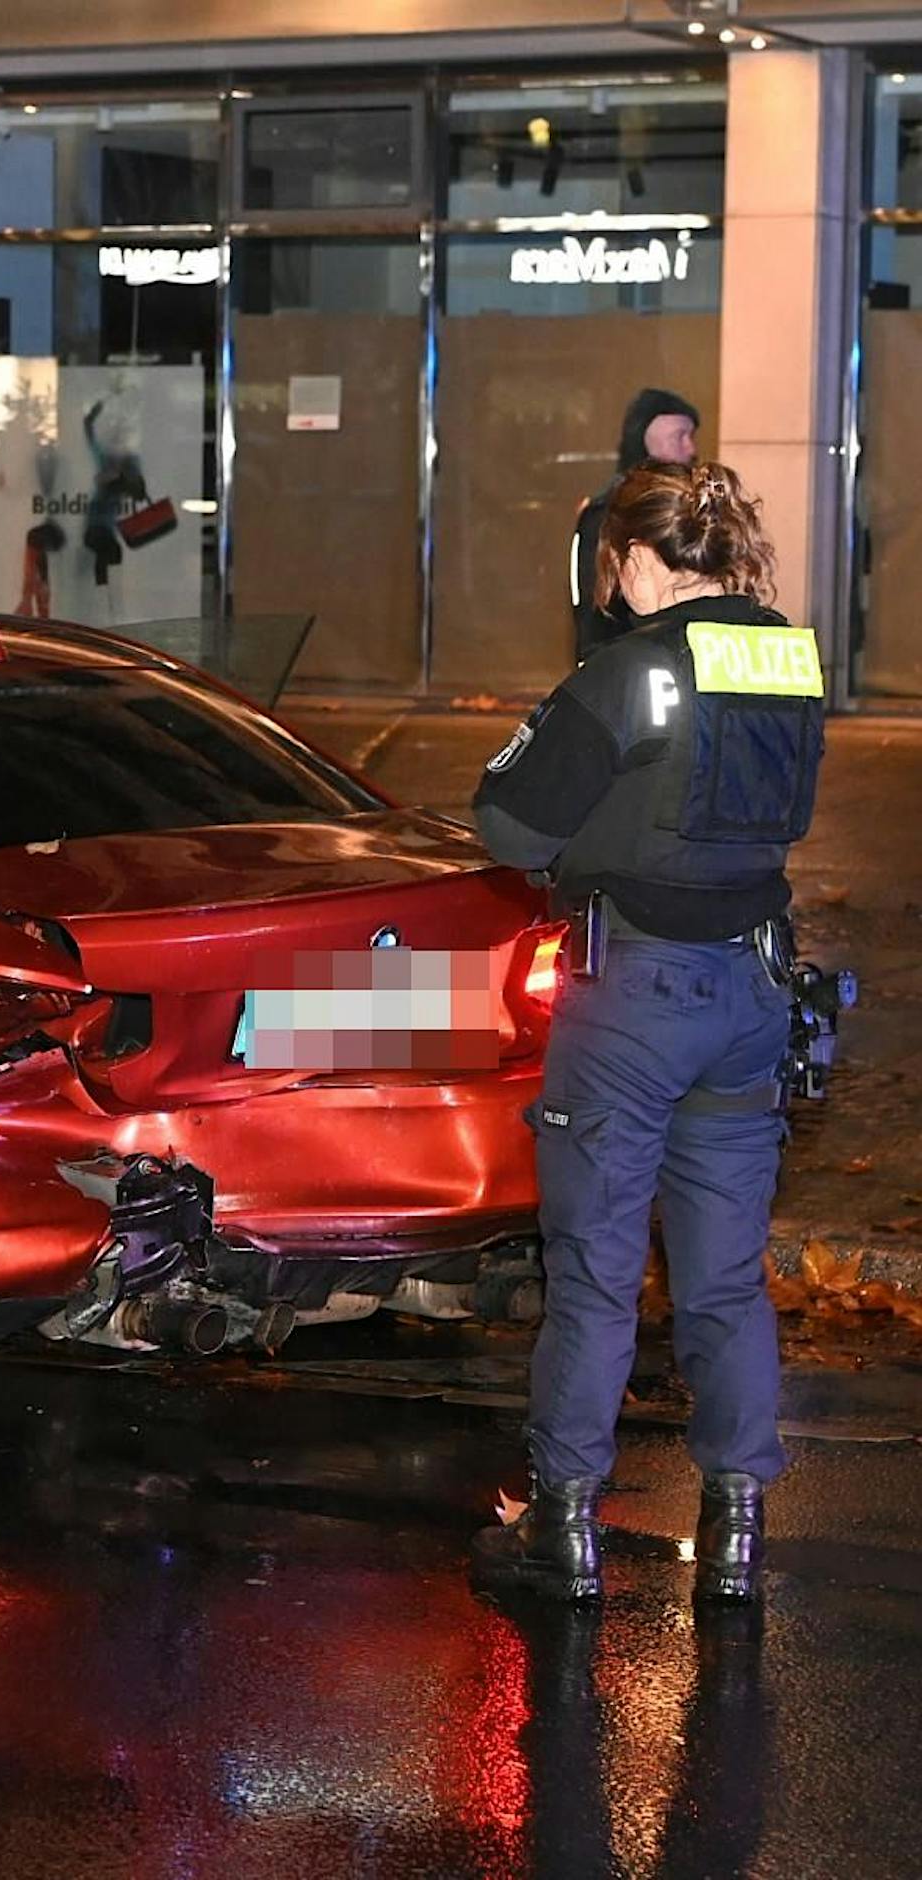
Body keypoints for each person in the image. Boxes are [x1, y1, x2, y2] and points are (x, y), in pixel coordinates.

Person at [470, 461, 825, 1606]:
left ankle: (562, 1526)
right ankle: (732, 1533)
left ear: (630, 559)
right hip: (749, 997)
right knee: (723, 1277)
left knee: (593, 1272)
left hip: (630, 1000)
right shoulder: (785, 656)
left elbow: (506, 819)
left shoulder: (625, 672)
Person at [571, 388, 700, 661]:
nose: (691, 449)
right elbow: (595, 610)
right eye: (679, 436)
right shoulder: (610, 513)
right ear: (645, 438)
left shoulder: (684, 507)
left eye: (691, 436)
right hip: (624, 668)